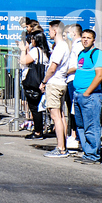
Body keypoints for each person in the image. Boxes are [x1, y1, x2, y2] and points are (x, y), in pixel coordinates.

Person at [68, 29, 102, 164]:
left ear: (93, 40)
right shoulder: (81, 53)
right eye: (83, 37)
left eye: (88, 38)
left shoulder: (97, 54)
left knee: (91, 126)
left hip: (90, 96)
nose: (85, 40)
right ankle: (87, 152)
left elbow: (100, 75)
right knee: (81, 126)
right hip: (78, 94)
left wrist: (87, 92)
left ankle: (93, 155)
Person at [39, 20, 71, 158]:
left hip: (55, 82)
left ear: (55, 30)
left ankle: (61, 147)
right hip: (61, 82)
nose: (49, 33)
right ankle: (63, 145)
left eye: (50, 30)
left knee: (56, 116)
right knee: (61, 116)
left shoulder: (60, 47)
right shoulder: (64, 46)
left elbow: (53, 67)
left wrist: (44, 81)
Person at [19, 31, 49, 139]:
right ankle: (39, 129)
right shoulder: (46, 51)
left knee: (34, 108)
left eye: (32, 39)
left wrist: (23, 50)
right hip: (41, 81)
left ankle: (38, 131)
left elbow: (23, 61)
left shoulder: (36, 51)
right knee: (38, 107)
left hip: (33, 82)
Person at [65, 23, 84, 149]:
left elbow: (79, 65)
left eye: (69, 32)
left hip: (73, 79)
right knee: (72, 108)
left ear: (74, 33)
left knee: (75, 109)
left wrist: (66, 71)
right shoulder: (74, 45)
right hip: (70, 79)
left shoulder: (78, 46)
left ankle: (77, 136)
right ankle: (74, 134)